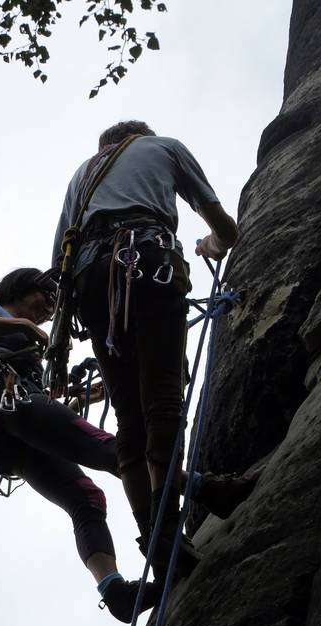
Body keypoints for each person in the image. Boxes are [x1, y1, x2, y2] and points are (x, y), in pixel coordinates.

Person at [52, 121, 258, 580]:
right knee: (162, 396)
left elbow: (57, 263)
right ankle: (165, 525)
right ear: (142, 133)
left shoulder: (82, 176)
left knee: (129, 415)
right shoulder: (163, 147)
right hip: (150, 259)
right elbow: (226, 228)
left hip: (91, 284)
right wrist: (212, 245)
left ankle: (152, 533)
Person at [0, 267, 163, 623]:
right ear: (21, 288)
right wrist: (23, 327)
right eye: (45, 298)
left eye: (53, 306)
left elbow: (43, 413)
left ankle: (114, 591)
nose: (48, 309)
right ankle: (200, 485)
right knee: (118, 452)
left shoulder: (30, 350)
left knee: (87, 498)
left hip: (7, 436)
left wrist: (85, 396)